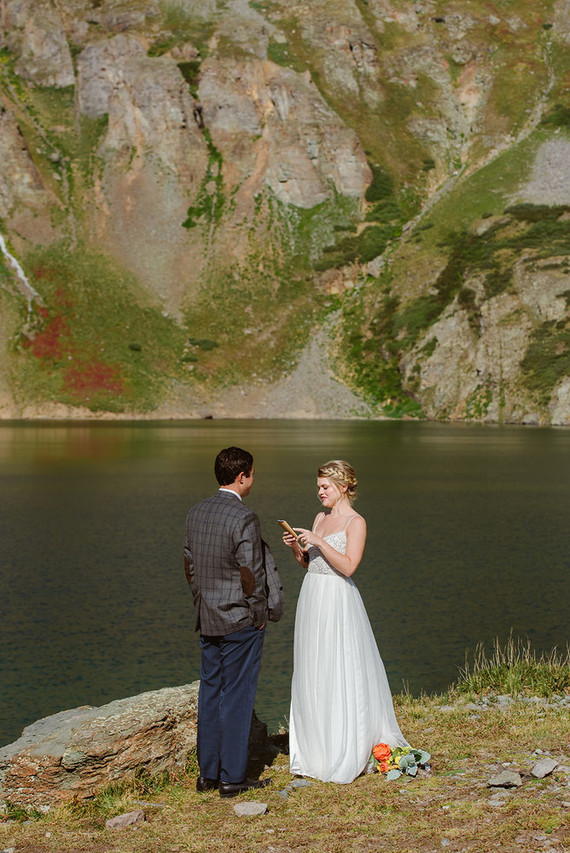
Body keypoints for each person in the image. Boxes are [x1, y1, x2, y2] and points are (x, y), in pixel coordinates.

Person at [282, 459, 408, 784]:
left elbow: (350, 566)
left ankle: (345, 744)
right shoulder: (319, 518)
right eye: (319, 486)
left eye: (325, 486)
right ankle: (314, 748)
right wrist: (298, 549)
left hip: (338, 598)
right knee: (314, 667)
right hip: (313, 595)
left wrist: (320, 542)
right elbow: (311, 564)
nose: (319, 492)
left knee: (340, 665)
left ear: (343, 487)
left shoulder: (356, 522)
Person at [184, 446, 284, 798]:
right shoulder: (244, 517)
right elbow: (250, 574)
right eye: (253, 474)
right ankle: (233, 778)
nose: (253, 480)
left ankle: (207, 775)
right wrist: (258, 617)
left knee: (210, 692)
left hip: (208, 617)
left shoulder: (196, 512)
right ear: (242, 476)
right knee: (238, 696)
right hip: (240, 620)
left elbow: (190, 567)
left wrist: (203, 604)